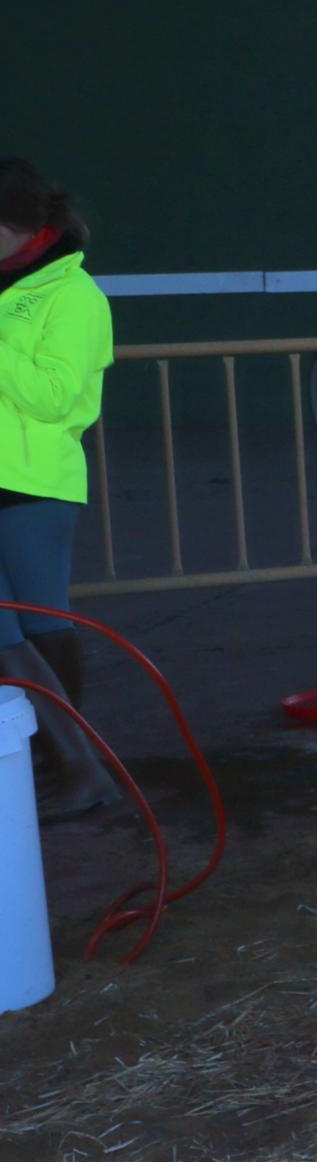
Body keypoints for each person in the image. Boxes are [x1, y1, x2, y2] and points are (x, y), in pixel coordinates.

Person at [0, 158, 118, 814]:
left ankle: (75, 766)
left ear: (22, 224)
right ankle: (68, 764)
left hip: (34, 481)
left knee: (37, 628)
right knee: (27, 628)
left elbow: (55, 397)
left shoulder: (75, 296)